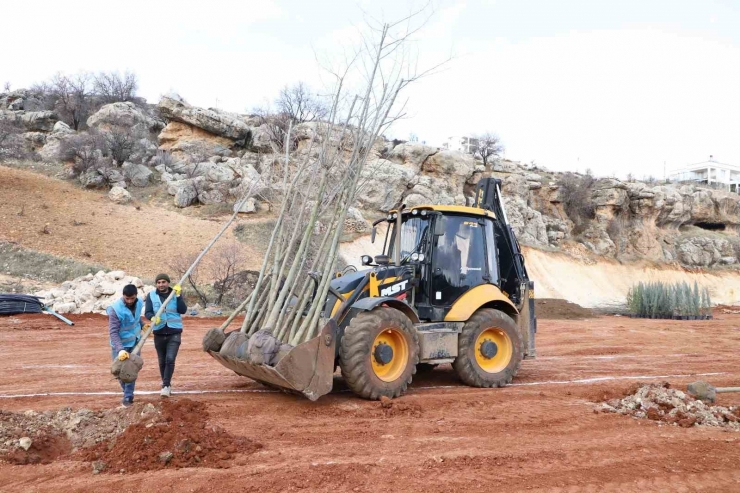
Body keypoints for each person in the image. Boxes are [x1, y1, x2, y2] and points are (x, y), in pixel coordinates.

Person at [145, 273, 187, 398]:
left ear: (168, 283)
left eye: (163, 282)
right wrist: (152, 317)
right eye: (158, 282)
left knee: (170, 359)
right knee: (162, 361)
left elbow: (182, 310)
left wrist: (179, 296)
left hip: (174, 332)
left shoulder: (175, 294)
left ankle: (166, 385)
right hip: (159, 332)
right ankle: (166, 383)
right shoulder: (151, 296)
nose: (161, 284)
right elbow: (147, 312)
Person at [108, 284, 148, 407]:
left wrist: (142, 325)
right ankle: (126, 392)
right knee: (119, 372)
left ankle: (128, 396)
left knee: (131, 369)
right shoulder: (116, 310)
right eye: (127, 299)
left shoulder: (139, 302)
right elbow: (113, 332)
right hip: (120, 345)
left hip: (135, 342)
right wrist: (120, 350)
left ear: (136, 296)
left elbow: (135, 318)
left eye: (132, 298)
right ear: (123, 296)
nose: (130, 301)